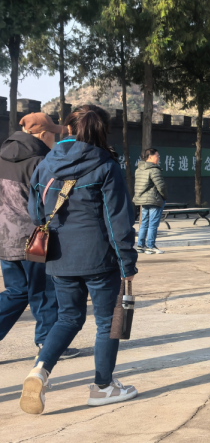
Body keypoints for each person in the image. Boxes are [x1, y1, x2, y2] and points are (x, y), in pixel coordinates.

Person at [21, 105, 138, 414]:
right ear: (102, 132)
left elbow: (36, 214)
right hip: (99, 258)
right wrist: (127, 262)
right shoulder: (106, 165)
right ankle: (103, 387)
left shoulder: (45, 164)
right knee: (107, 322)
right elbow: (117, 220)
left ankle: (40, 370)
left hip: (59, 257)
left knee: (68, 318)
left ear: (68, 128)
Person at [0, 114, 79, 360]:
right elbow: (49, 202)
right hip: (33, 239)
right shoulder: (41, 161)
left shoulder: (1, 156)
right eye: (54, 135)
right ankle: (47, 342)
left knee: (17, 290)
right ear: (44, 134)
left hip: (4, 238)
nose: (55, 140)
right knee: (44, 292)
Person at [133, 148, 168, 254]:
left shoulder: (138, 170)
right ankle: (150, 246)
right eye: (157, 156)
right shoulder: (154, 170)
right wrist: (164, 196)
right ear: (150, 157)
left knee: (144, 223)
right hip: (154, 200)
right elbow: (161, 186)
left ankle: (140, 246)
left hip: (143, 200)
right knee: (153, 224)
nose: (158, 158)